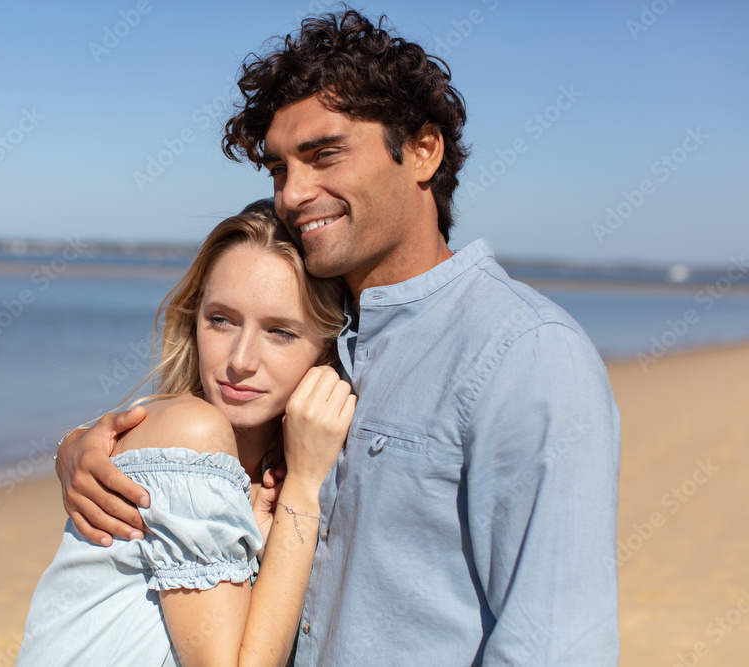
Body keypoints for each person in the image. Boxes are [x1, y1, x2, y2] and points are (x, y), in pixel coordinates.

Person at [57, 9, 621, 665]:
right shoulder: (321, 337)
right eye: (278, 169)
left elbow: (553, 648)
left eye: (325, 155)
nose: (295, 194)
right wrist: (86, 449)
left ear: (422, 151)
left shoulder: (527, 353)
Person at [16, 200, 356, 666]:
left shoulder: (253, 475)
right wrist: (303, 487)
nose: (240, 360)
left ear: (326, 354)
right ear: (194, 321)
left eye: (279, 331)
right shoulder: (190, 432)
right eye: (221, 319)